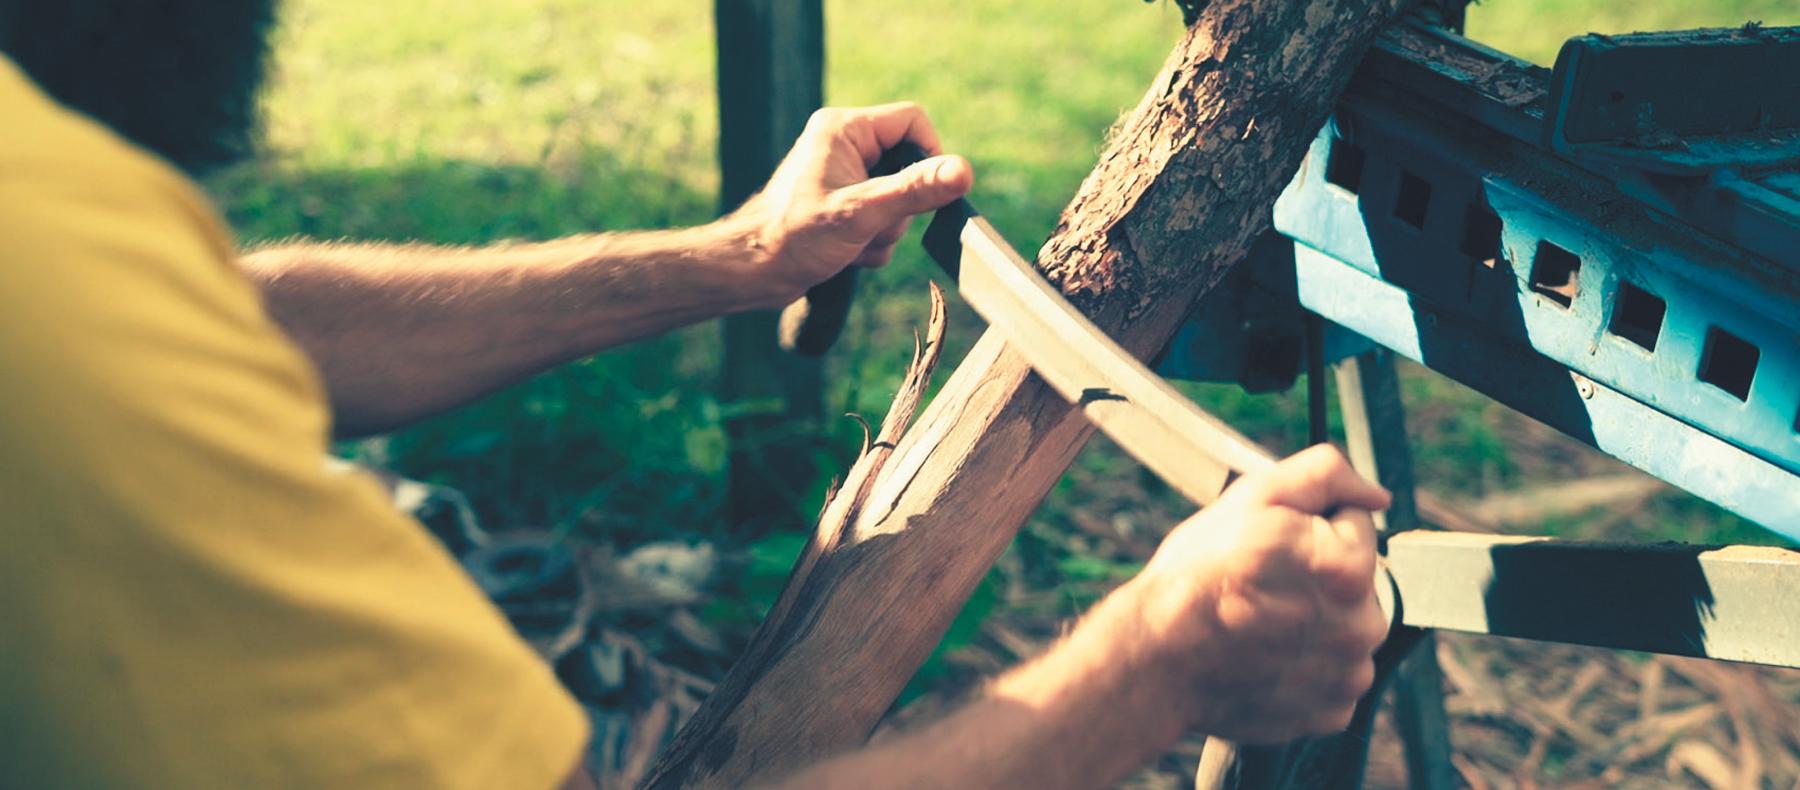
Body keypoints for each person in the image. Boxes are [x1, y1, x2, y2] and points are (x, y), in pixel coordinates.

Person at [0, 2, 1391, 788]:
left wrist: (729, 259)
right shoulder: (56, 336)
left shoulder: (52, 228)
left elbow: (221, 313)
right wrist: (1153, 662)